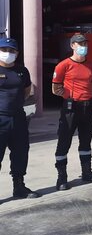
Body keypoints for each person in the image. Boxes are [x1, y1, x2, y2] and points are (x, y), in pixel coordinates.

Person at [52, 34, 92, 190]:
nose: (84, 46)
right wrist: (69, 96)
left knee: (86, 141)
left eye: (85, 43)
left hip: (88, 108)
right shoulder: (63, 65)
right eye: (80, 43)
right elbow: (55, 88)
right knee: (64, 142)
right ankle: (62, 177)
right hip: (71, 108)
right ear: (72, 45)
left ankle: (87, 173)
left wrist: (86, 96)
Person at [0, 38, 39, 198]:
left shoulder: (22, 71)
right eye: (4, 50)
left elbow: (26, 90)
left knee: (21, 153)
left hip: (18, 118)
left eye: (11, 51)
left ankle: (19, 187)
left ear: (17, 53)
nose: (7, 54)